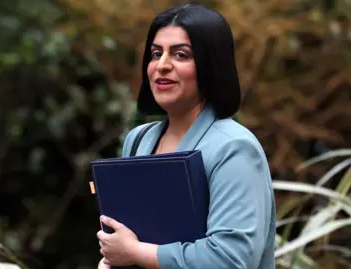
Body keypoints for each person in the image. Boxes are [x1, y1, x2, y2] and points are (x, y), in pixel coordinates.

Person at [96, 3, 276, 269]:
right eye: (156, 54)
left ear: (210, 65)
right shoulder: (138, 140)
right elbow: (124, 237)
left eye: (181, 55)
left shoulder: (234, 149)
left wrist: (136, 252)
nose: (162, 65)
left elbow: (230, 259)